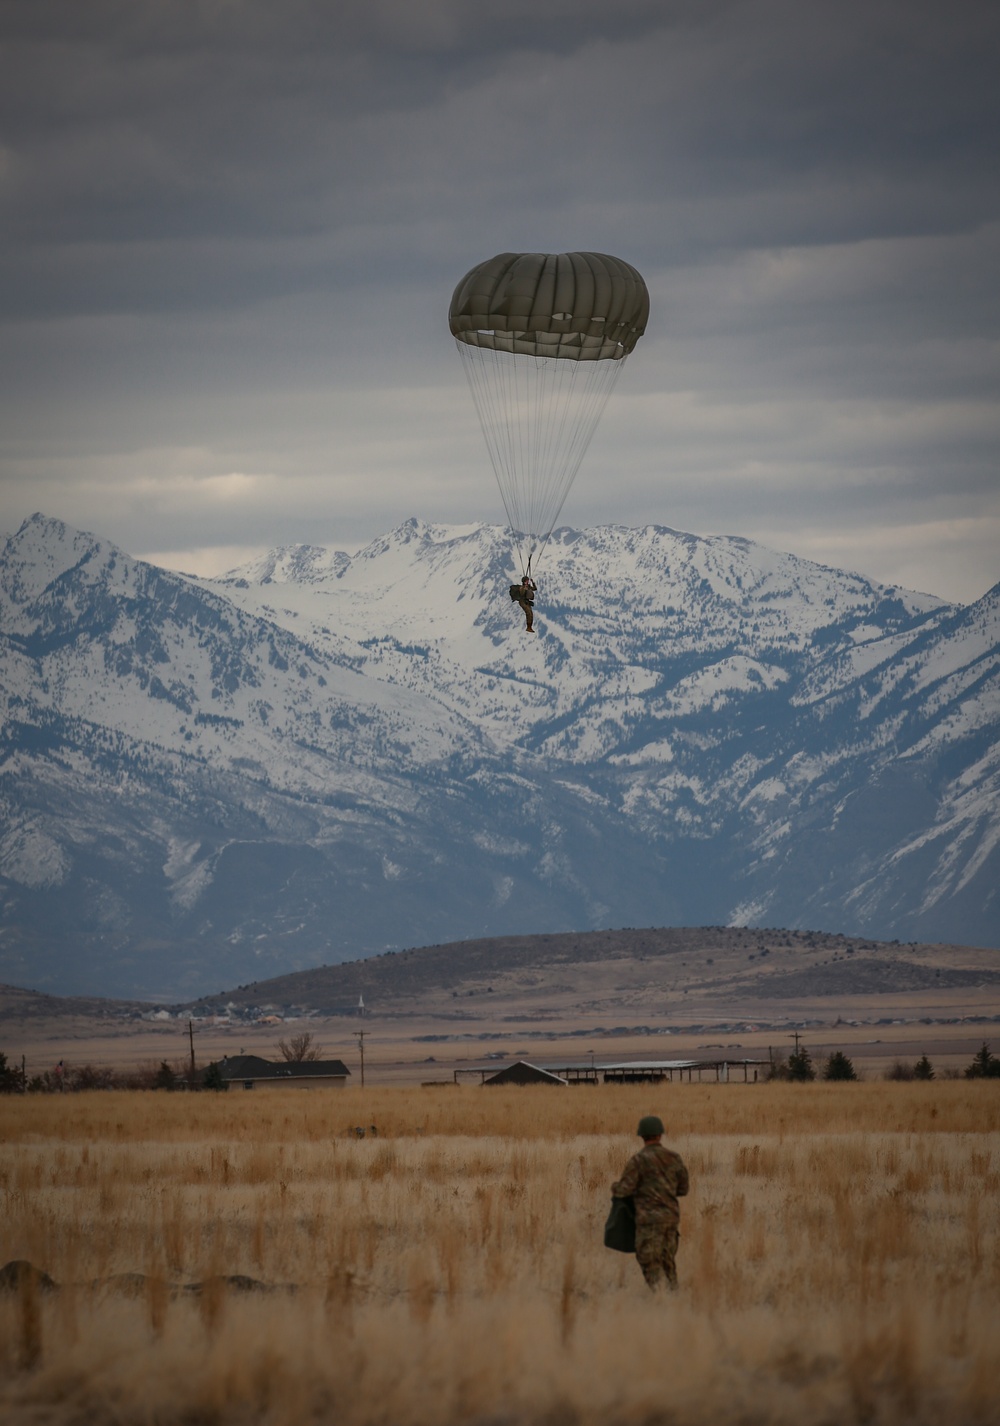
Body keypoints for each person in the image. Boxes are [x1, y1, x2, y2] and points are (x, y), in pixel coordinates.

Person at [611, 1114, 689, 1290]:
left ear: (642, 1136)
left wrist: (614, 1187)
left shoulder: (638, 1160)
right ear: (660, 1134)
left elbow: (624, 1190)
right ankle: (673, 1294)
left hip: (649, 1220)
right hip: (671, 1218)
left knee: (649, 1260)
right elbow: (683, 1189)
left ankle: (659, 1297)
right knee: (668, 1259)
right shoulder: (674, 1158)